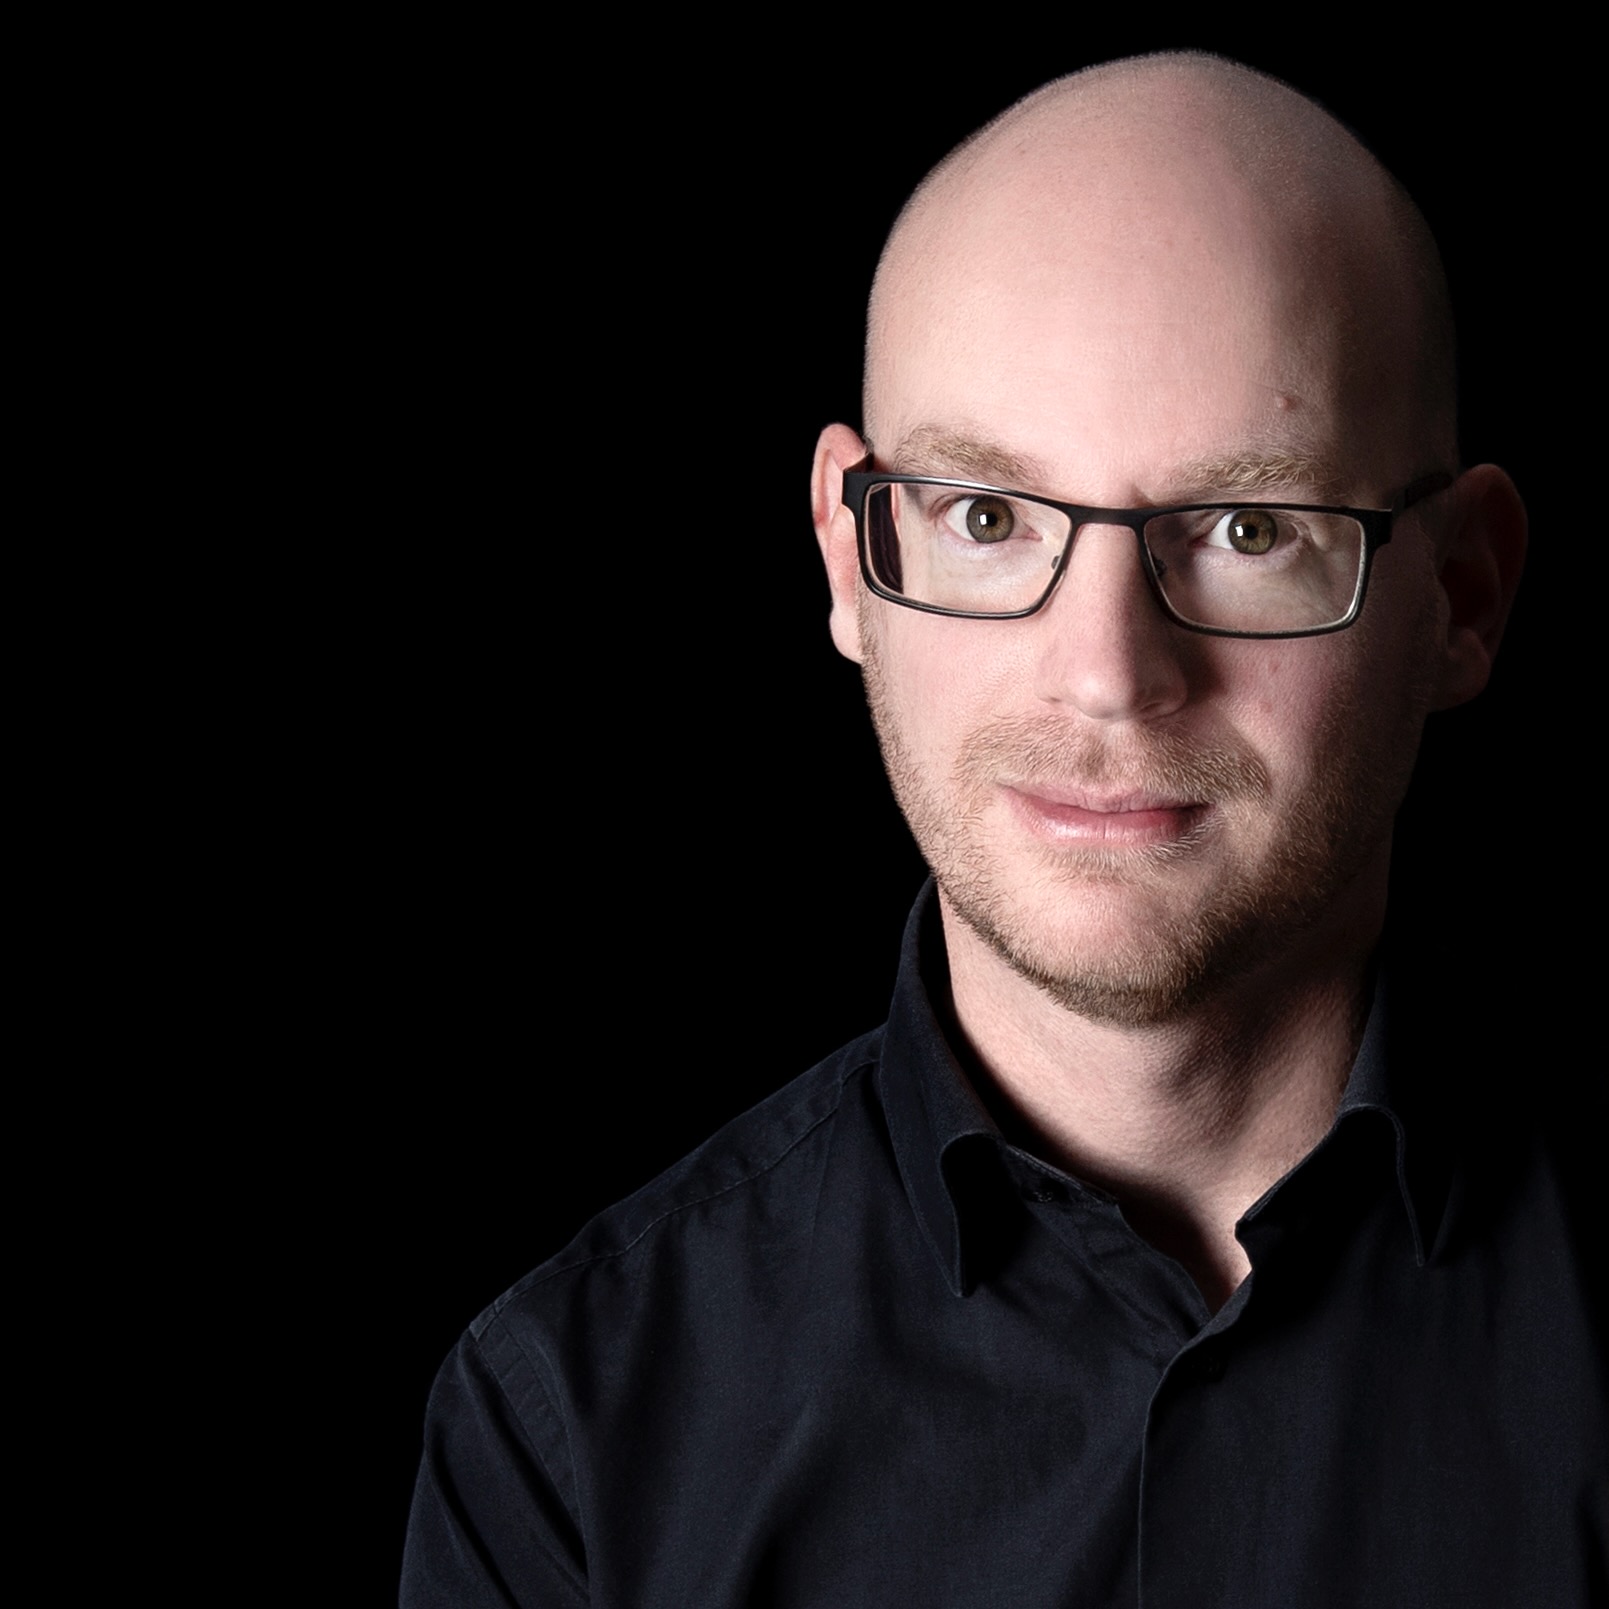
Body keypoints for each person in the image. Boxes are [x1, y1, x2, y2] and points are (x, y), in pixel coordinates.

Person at [402, 53, 1603, 1606]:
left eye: (1247, 529)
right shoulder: (567, 1439)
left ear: (1462, 594)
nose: (1107, 674)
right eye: (986, 517)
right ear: (848, 556)